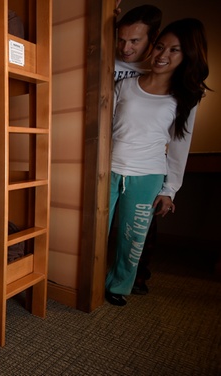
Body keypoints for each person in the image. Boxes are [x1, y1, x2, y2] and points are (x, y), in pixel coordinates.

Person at [105, 18, 210, 306]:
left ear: (187, 56)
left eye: (174, 50)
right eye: (160, 47)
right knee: (94, 232)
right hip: (109, 170)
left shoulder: (185, 98)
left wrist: (169, 189)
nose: (163, 56)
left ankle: (119, 285)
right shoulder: (124, 85)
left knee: (132, 240)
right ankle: (87, 281)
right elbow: (103, 130)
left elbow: (179, 146)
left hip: (148, 174)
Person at [113, 4, 163, 295]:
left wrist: (171, 186)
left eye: (135, 41)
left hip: (146, 160)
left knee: (140, 226)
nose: (126, 47)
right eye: (121, 39)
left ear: (152, 39)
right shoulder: (110, 59)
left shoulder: (157, 71)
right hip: (112, 153)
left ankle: (137, 275)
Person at [114, 4, 162, 81]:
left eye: (134, 41)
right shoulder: (107, 56)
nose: (125, 49)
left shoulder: (161, 66)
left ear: (154, 36)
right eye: (121, 40)